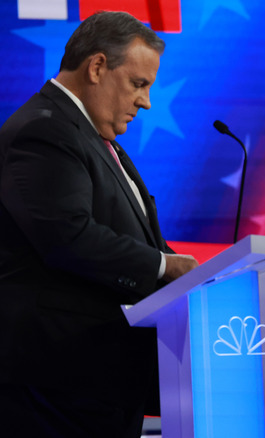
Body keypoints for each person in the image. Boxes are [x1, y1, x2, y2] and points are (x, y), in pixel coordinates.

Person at [0, 11, 198, 437]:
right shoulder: (43, 131)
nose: (146, 101)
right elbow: (68, 236)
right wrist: (165, 267)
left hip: (100, 383)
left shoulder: (92, 137)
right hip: (57, 384)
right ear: (97, 67)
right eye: (139, 84)